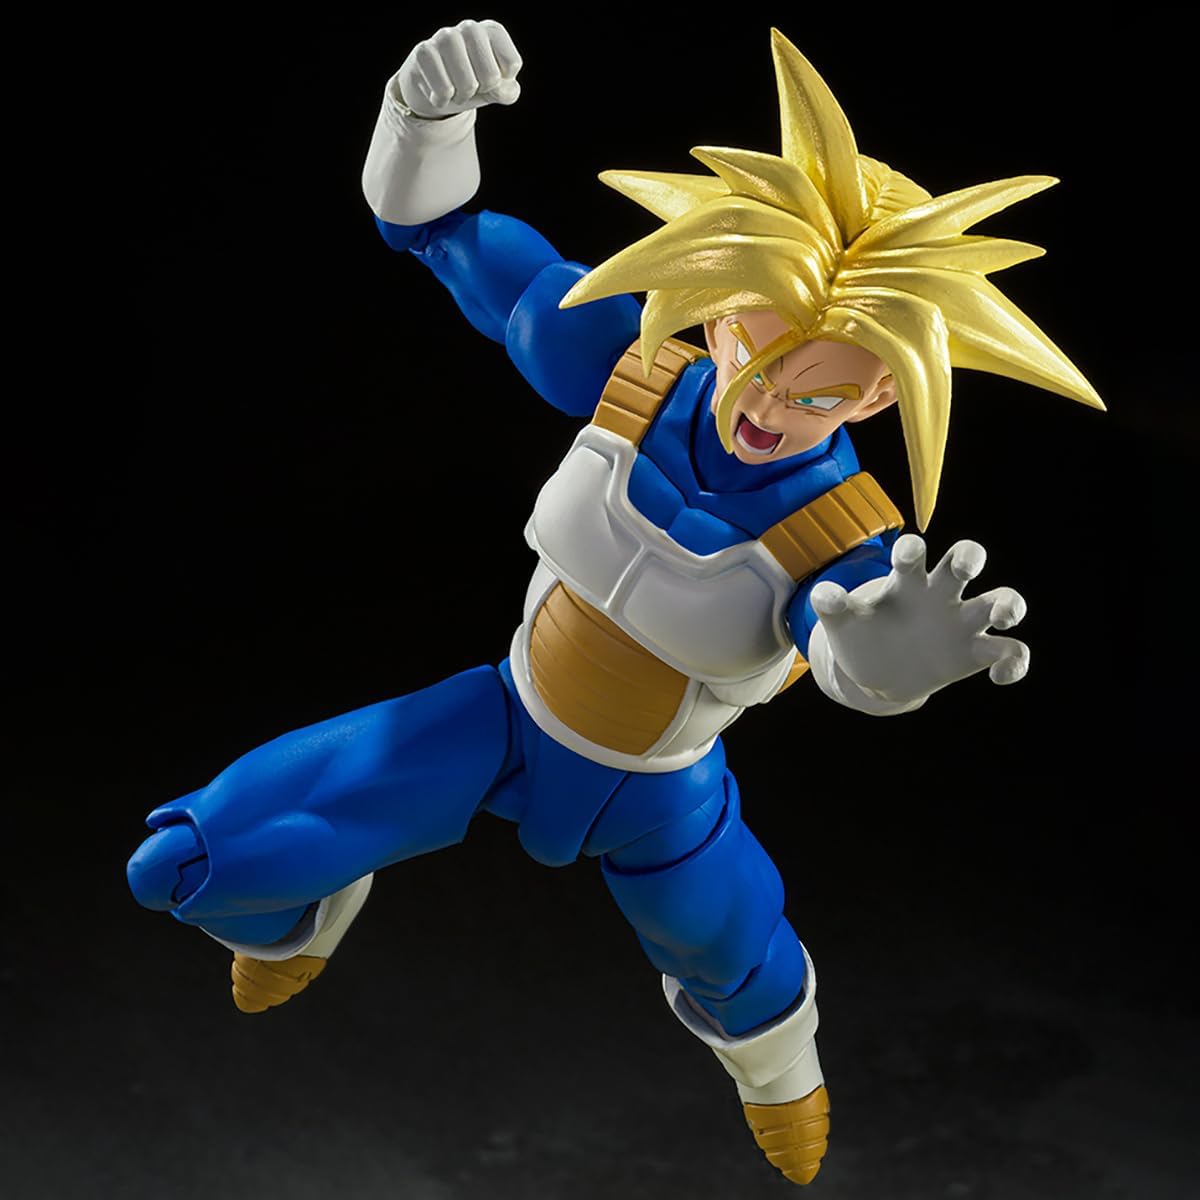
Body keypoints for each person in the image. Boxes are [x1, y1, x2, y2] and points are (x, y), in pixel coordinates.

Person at [127, 20, 1102, 1186]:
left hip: (661, 800)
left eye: (817, 391)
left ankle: (782, 1080)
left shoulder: (842, 533)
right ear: (718, 301)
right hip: (500, 720)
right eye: (753, 346)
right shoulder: (631, 368)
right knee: (198, 860)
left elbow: (846, 647)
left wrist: (892, 662)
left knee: (737, 967)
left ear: (880, 395)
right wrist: (425, 125)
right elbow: (441, 236)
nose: (764, 402)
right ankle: (302, 915)